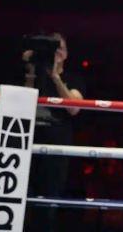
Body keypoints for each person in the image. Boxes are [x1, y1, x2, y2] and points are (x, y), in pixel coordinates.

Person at [23, 32, 86, 231]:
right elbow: (22, 102)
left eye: (60, 49)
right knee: (21, 196)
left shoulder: (73, 78)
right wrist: (31, 71)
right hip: (27, 141)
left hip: (55, 147)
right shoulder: (33, 73)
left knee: (48, 201)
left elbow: (74, 108)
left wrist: (56, 77)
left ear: (66, 54)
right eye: (53, 48)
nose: (56, 53)